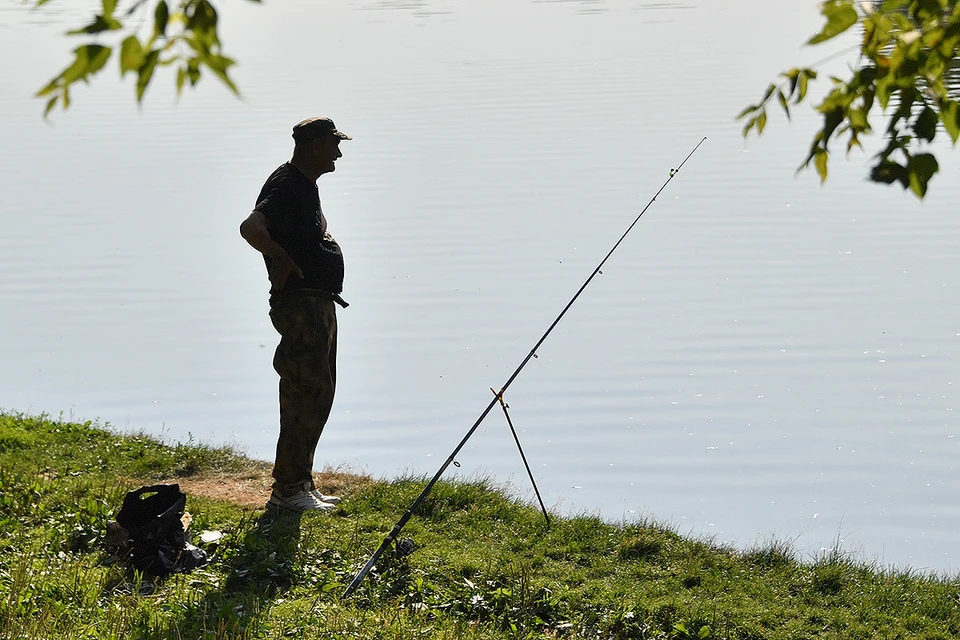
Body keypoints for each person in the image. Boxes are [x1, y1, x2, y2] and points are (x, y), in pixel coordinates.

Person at [239, 117, 352, 512]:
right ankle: (288, 491)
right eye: (334, 144)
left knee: (318, 392)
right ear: (316, 146)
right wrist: (281, 257)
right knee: (304, 391)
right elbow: (250, 226)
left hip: (316, 303)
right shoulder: (287, 185)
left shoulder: (303, 186)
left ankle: (300, 481)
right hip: (302, 306)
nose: (339, 152)